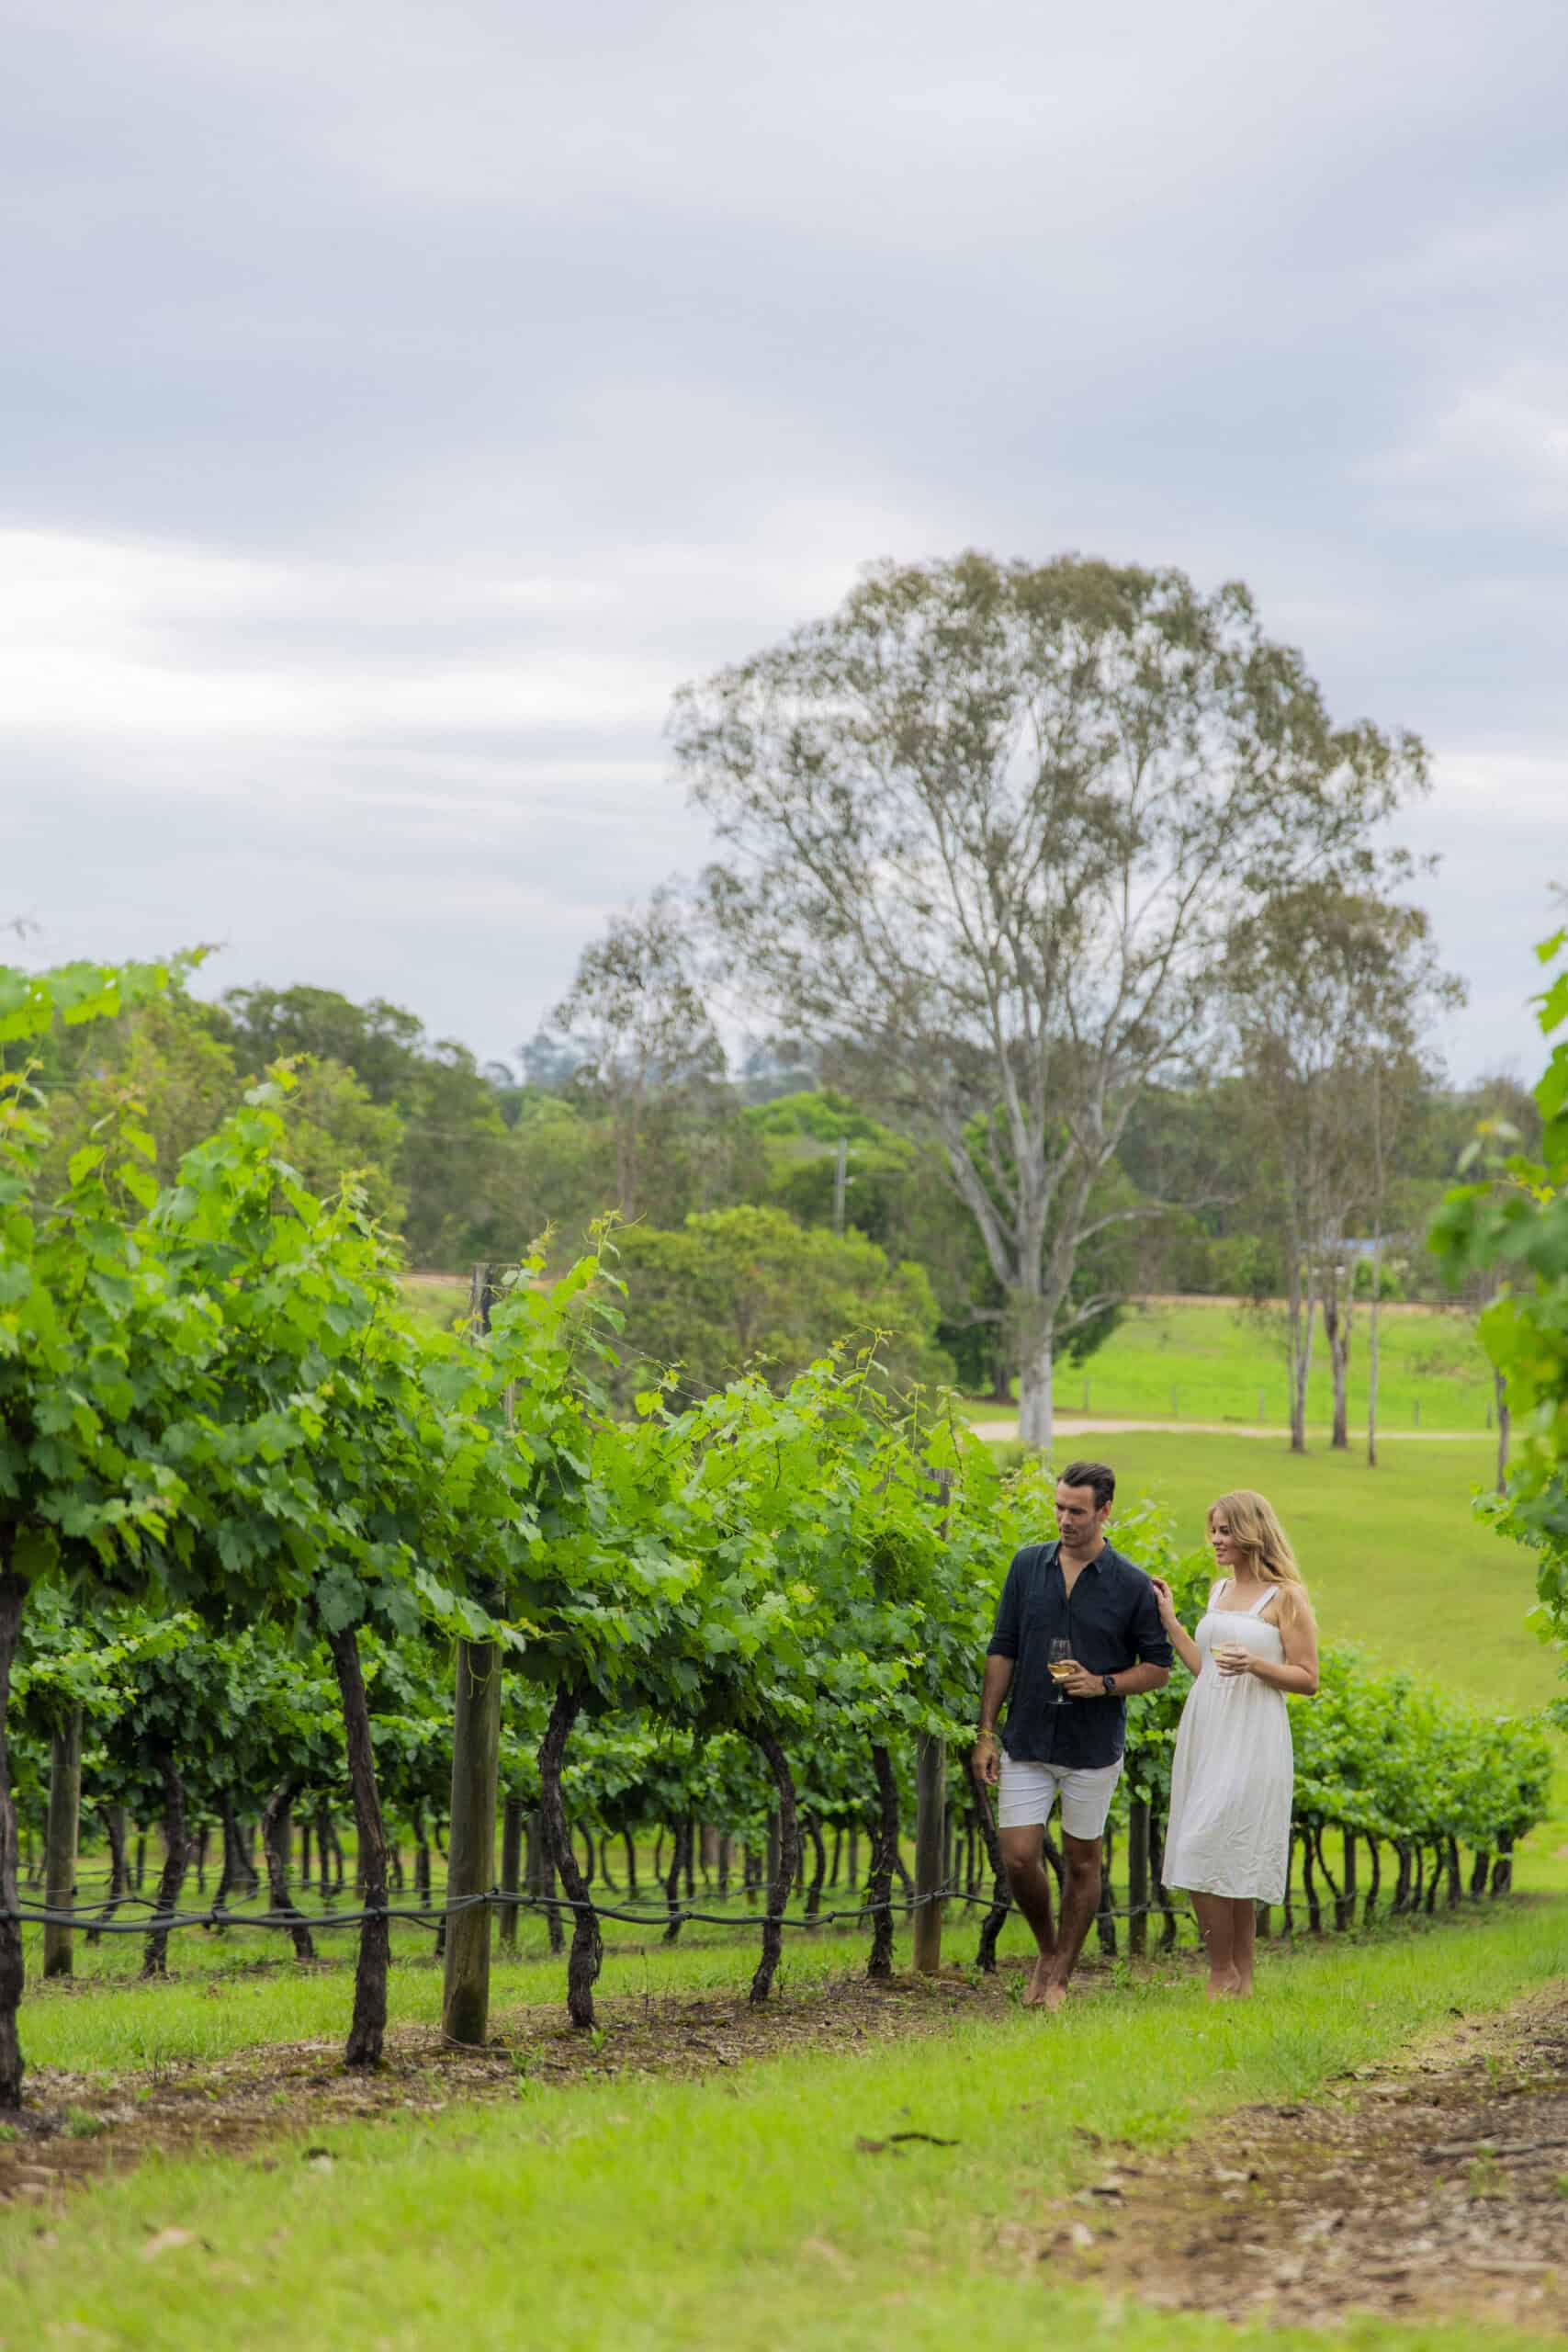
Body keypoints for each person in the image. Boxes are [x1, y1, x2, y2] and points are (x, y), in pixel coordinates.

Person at [973, 1461, 1172, 2012]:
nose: (1064, 1519)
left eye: (1076, 1511)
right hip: (1027, 1735)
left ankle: (1060, 1977)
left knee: (1084, 1863)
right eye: (1059, 1507)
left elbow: (1158, 1668)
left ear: (1105, 1511)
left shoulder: (1132, 1585)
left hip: (1091, 1746)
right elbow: (1002, 1648)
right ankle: (1046, 1950)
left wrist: (1104, 1683)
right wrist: (985, 1733)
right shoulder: (1025, 1567)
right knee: (1017, 1856)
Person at [1150, 1488, 1319, 2001]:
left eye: (1226, 1531)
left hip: (1255, 1733)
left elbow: (1308, 1678)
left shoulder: (1286, 1596)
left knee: (1211, 1842)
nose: (1217, 1540)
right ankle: (1240, 1981)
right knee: (1216, 1846)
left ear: (1251, 1532)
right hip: (1209, 1725)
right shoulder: (1218, 1590)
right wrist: (1172, 1623)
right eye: (1214, 1530)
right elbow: (1207, 1669)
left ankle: (1220, 1970)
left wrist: (1257, 1665)